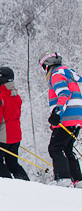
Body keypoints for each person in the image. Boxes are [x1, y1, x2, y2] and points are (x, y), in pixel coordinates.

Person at [39, 51, 82, 186]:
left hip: (66, 117)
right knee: (67, 148)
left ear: (47, 66)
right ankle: (78, 180)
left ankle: (62, 179)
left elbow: (64, 93)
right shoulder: (68, 74)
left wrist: (57, 112)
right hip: (77, 118)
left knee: (55, 148)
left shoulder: (57, 75)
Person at [0, 66, 30, 180]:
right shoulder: (16, 96)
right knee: (12, 163)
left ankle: (8, 184)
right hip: (16, 137)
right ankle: (26, 184)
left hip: (2, 138)